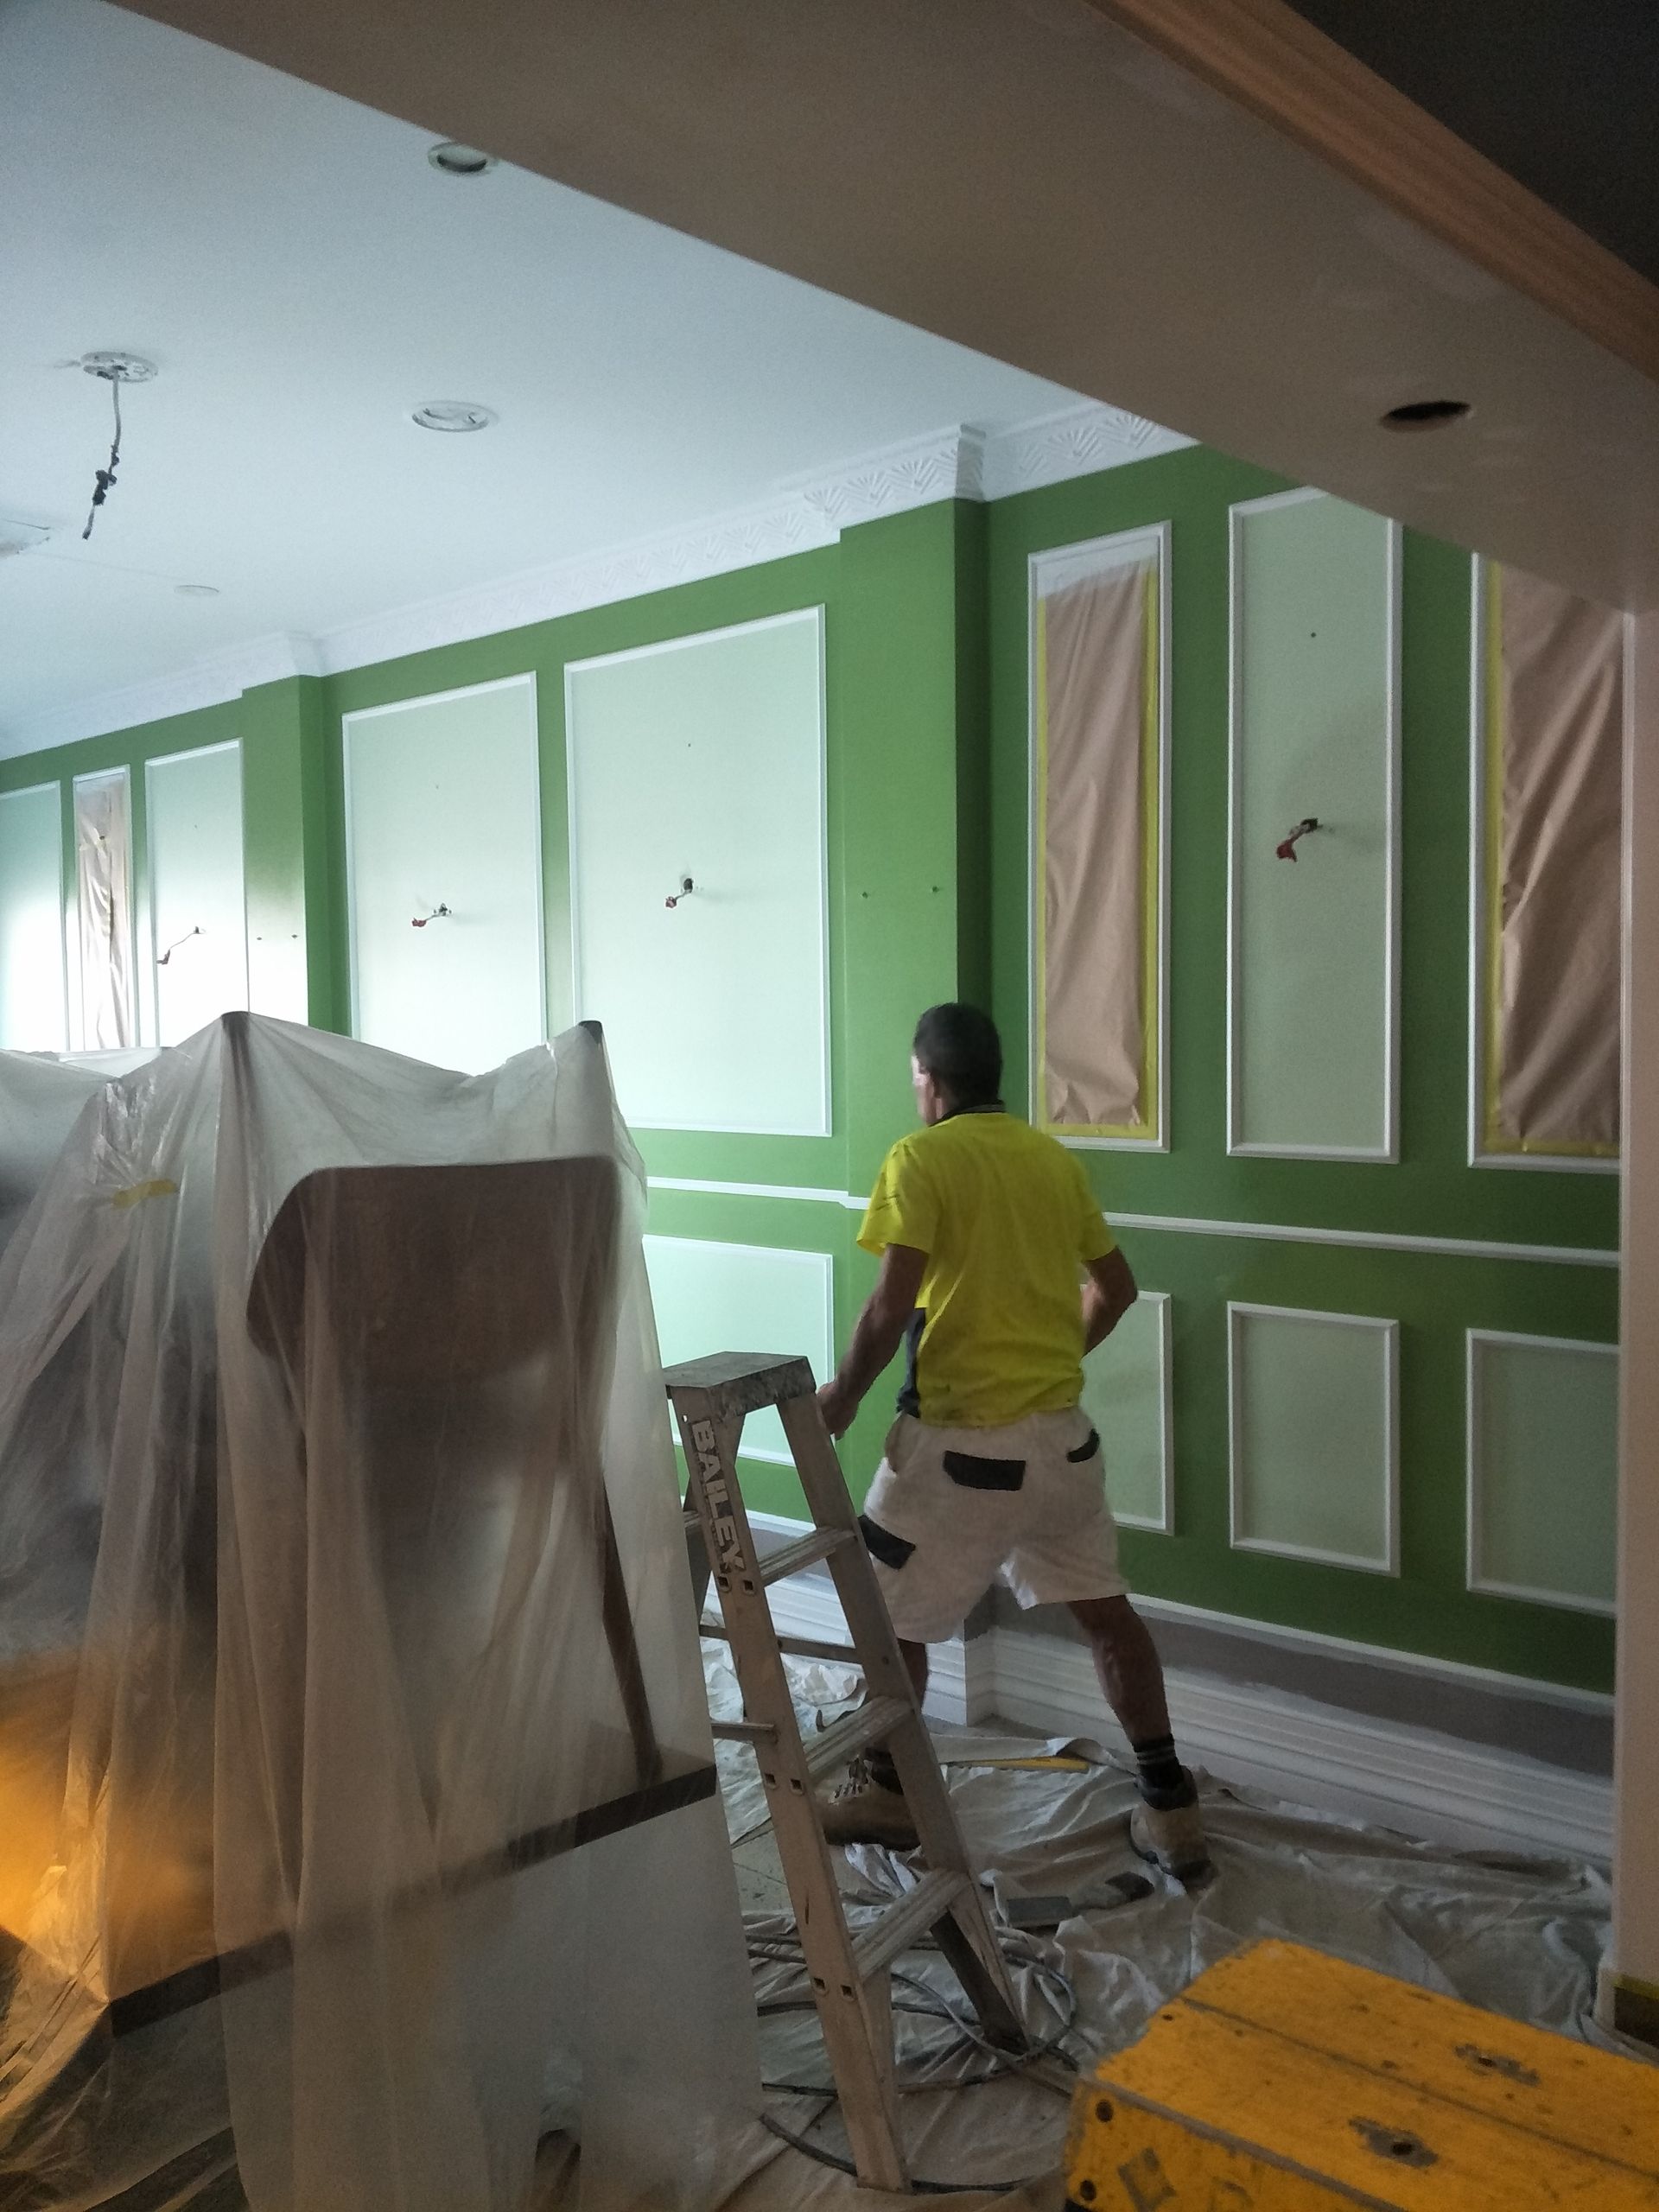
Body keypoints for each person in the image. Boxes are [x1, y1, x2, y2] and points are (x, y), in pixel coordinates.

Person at [816, 1002, 1207, 1880]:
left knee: (883, 1617)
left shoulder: (919, 1158)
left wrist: (841, 1397)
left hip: (959, 1452)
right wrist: (1049, 1353)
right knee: (1110, 1616)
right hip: (1064, 1449)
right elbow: (1114, 1288)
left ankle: (887, 1790)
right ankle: (1170, 1808)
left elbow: (890, 1303)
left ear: (931, 1079)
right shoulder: (1050, 1159)